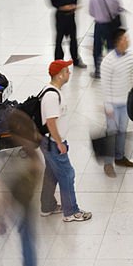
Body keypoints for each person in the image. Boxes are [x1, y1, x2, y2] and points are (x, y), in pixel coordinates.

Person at [0, 108, 42, 266]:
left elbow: (4, 194)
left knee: (26, 247)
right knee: (29, 248)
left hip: (18, 206)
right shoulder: (33, 156)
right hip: (29, 203)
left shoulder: (10, 159)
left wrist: (0, 218)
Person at [38, 60, 91, 222]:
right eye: (67, 71)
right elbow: (51, 122)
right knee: (68, 174)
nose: (69, 73)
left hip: (49, 142)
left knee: (52, 173)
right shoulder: (52, 96)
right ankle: (71, 211)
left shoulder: (50, 90)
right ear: (60, 75)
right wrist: (59, 143)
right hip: (53, 143)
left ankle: (47, 206)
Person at [100, 28, 133, 176]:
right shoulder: (108, 61)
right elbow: (105, 85)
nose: (127, 40)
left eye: (127, 38)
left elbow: (131, 77)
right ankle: (108, 163)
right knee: (111, 133)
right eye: (123, 39)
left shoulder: (129, 57)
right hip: (113, 105)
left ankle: (120, 157)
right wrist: (108, 106)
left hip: (125, 102)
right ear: (116, 42)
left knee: (122, 131)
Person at [88, 0, 123, 79]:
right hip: (110, 25)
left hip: (99, 25)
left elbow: (91, 12)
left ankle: (98, 71)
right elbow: (117, 8)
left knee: (98, 48)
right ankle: (112, 70)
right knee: (111, 47)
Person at [49, 0, 85, 67]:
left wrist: (73, 6)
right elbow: (52, 2)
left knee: (73, 39)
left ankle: (76, 59)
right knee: (59, 40)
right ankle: (58, 61)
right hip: (60, 17)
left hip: (71, 16)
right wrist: (63, 7)